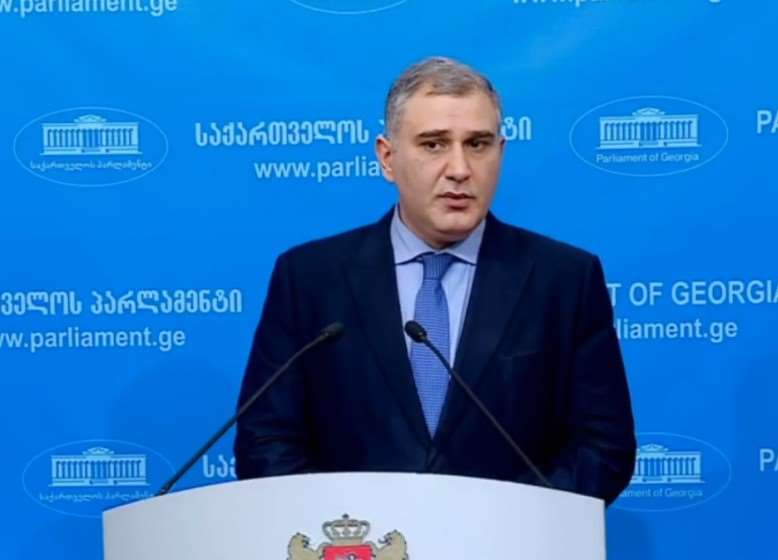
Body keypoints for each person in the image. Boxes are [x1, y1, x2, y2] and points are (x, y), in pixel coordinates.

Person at [234, 56, 636, 505]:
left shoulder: (564, 279)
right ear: (387, 157)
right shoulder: (310, 278)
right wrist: (350, 532)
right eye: (434, 144)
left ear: (501, 153)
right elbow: (267, 441)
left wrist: (510, 525)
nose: (460, 169)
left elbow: (603, 447)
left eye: (478, 144)